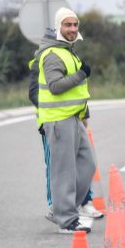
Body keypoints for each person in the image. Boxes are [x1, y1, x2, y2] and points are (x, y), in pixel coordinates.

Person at [29, 27, 103, 225]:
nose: (71, 32)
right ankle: (62, 212)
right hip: (54, 121)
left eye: (74, 27)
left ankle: (65, 207)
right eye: (66, 28)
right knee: (60, 169)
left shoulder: (69, 53)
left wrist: (83, 113)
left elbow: (77, 92)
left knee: (85, 165)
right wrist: (47, 120)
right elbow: (42, 91)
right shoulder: (48, 57)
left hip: (72, 118)